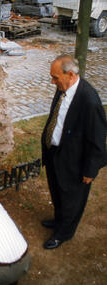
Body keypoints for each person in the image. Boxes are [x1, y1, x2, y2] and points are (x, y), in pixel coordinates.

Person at [41, 54, 107, 250]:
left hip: (75, 160)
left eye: (55, 77)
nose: (52, 82)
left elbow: (97, 138)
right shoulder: (63, 88)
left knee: (72, 197)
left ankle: (64, 233)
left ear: (70, 74)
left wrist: (91, 170)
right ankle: (58, 218)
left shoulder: (89, 100)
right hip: (56, 152)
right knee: (56, 188)